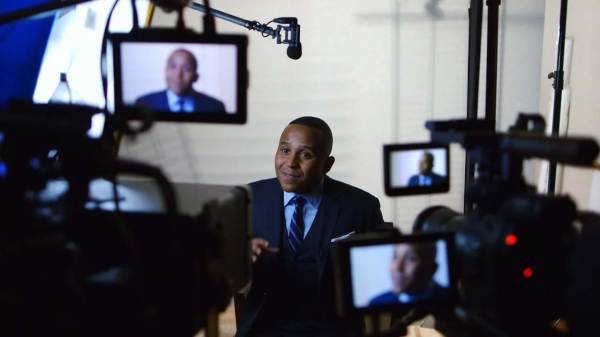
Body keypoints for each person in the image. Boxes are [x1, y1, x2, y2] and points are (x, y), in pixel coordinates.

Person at [236, 116, 385, 337]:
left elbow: (379, 280)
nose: (290, 163)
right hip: (263, 327)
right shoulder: (249, 198)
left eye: (305, 155)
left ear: (327, 164)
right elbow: (220, 270)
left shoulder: (361, 207)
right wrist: (240, 256)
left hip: (333, 329)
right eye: (285, 150)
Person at [135, 48, 226, 113]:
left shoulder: (215, 107)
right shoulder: (144, 104)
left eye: (186, 69)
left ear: (196, 76)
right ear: (165, 71)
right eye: (173, 67)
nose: (178, 75)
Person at [369, 242, 448, 306]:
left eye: (410, 259)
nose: (398, 267)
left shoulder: (447, 298)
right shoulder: (377, 303)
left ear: (432, 269)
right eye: (395, 257)